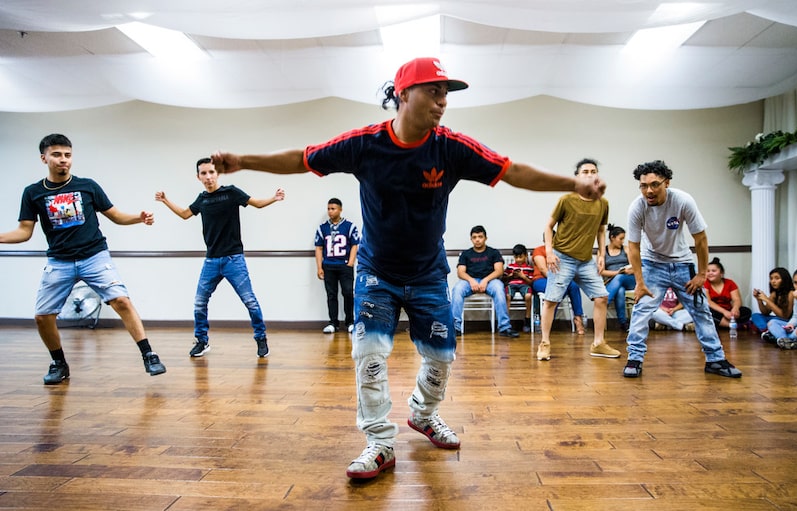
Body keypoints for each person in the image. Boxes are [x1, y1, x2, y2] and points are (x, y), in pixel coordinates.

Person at [209, 57, 605, 480]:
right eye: (434, 91)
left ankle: (423, 413)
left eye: (446, 94)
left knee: (441, 357)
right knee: (370, 355)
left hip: (429, 273)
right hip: (377, 273)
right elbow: (303, 158)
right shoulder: (365, 143)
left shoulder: (451, 147)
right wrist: (244, 160)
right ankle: (379, 442)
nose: (443, 101)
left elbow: (512, 171)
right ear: (403, 95)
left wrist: (573, 183)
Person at [0, 133, 166, 384]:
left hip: (94, 256)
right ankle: (59, 363)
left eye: (67, 155)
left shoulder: (87, 186)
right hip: (59, 261)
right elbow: (24, 231)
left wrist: (138, 218)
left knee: (121, 300)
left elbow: (116, 215)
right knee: (42, 316)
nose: (63, 160)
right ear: (44, 158)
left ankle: (149, 354)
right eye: (56, 155)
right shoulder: (33, 192)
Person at [155, 158, 284, 358]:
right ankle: (202, 341)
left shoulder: (231, 193)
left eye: (211, 172)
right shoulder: (202, 200)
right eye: (203, 173)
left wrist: (273, 198)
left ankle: (261, 338)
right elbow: (184, 214)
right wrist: (165, 200)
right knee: (199, 302)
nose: (208, 177)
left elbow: (256, 204)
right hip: (211, 260)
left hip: (234, 259)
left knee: (249, 301)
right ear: (198, 177)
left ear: (217, 174)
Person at [622, 160, 741, 378]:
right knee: (641, 311)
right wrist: (639, 282)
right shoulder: (637, 207)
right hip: (652, 264)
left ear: (666, 183)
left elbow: (701, 239)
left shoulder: (683, 201)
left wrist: (701, 275)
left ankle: (716, 360)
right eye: (643, 185)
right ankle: (634, 359)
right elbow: (633, 247)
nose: (649, 190)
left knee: (701, 311)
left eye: (655, 184)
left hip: (682, 265)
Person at [536, 158, 618, 361]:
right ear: (577, 177)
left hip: (586, 260)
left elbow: (601, 230)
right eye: (585, 171)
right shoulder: (566, 200)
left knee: (602, 297)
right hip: (562, 258)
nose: (590, 174)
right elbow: (548, 227)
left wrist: (601, 255)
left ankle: (598, 343)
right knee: (551, 301)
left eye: (593, 171)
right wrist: (549, 252)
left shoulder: (603, 203)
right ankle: (545, 343)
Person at [451, 226, 519, 337]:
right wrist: (471, 281)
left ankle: (504, 327)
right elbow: (460, 272)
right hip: (470, 281)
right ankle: (455, 328)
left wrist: (485, 280)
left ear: (485, 238)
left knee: (499, 288)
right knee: (457, 289)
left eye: (480, 237)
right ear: (471, 239)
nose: (477, 239)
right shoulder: (466, 254)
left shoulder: (493, 253)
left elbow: (499, 270)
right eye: (474, 237)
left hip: (490, 281)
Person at [314, 198, 360, 334]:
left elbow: (355, 245)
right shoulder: (323, 227)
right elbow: (318, 248)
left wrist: (350, 263)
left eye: (333, 208)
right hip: (328, 265)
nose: (330, 211)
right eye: (328, 208)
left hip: (344, 265)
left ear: (340, 209)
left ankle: (350, 322)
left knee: (347, 293)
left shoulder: (349, 226)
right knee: (331, 294)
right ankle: (333, 323)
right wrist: (319, 267)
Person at [531, 240, 585, 334]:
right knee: (559, 289)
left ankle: (578, 319)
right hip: (541, 280)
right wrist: (559, 281)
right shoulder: (539, 250)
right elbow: (543, 270)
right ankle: (547, 322)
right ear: (545, 240)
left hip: (560, 280)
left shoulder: (561, 252)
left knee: (574, 286)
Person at [599, 224, 635, 331]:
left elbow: (635, 267)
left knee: (620, 278)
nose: (622, 241)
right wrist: (617, 272)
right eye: (621, 238)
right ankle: (623, 323)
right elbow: (601, 271)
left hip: (629, 280)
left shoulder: (627, 250)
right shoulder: (603, 252)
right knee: (619, 291)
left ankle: (604, 302)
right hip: (613, 282)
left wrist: (626, 271)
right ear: (612, 238)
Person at [703, 257, 751, 328]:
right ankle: (735, 326)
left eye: (713, 271)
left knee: (746, 311)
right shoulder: (705, 283)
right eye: (708, 271)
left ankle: (723, 324)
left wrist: (735, 309)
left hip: (729, 311)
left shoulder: (730, 283)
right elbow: (708, 302)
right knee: (706, 312)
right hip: (716, 311)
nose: (710, 273)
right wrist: (724, 312)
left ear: (721, 273)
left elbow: (736, 300)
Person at [751, 267, 794, 342]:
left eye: (777, 278)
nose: (773, 281)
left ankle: (770, 332)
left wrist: (767, 300)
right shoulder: (775, 293)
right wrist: (759, 300)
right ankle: (767, 331)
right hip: (777, 319)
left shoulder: (791, 293)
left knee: (773, 321)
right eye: (771, 278)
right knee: (755, 315)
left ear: (784, 280)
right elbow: (765, 312)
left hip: (788, 321)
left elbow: (785, 316)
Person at [504, 243, 534, 332]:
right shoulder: (510, 266)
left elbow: (531, 282)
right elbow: (504, 279)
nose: (518, 260)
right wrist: (511, 275)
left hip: (524, 285)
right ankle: (506, 322)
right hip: (511, 285)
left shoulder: (529, 268)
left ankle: (527, 319)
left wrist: (523, 276)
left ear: (525, 256)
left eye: (520, 257)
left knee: (528, 296)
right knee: (507, 296)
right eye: (516, 257)